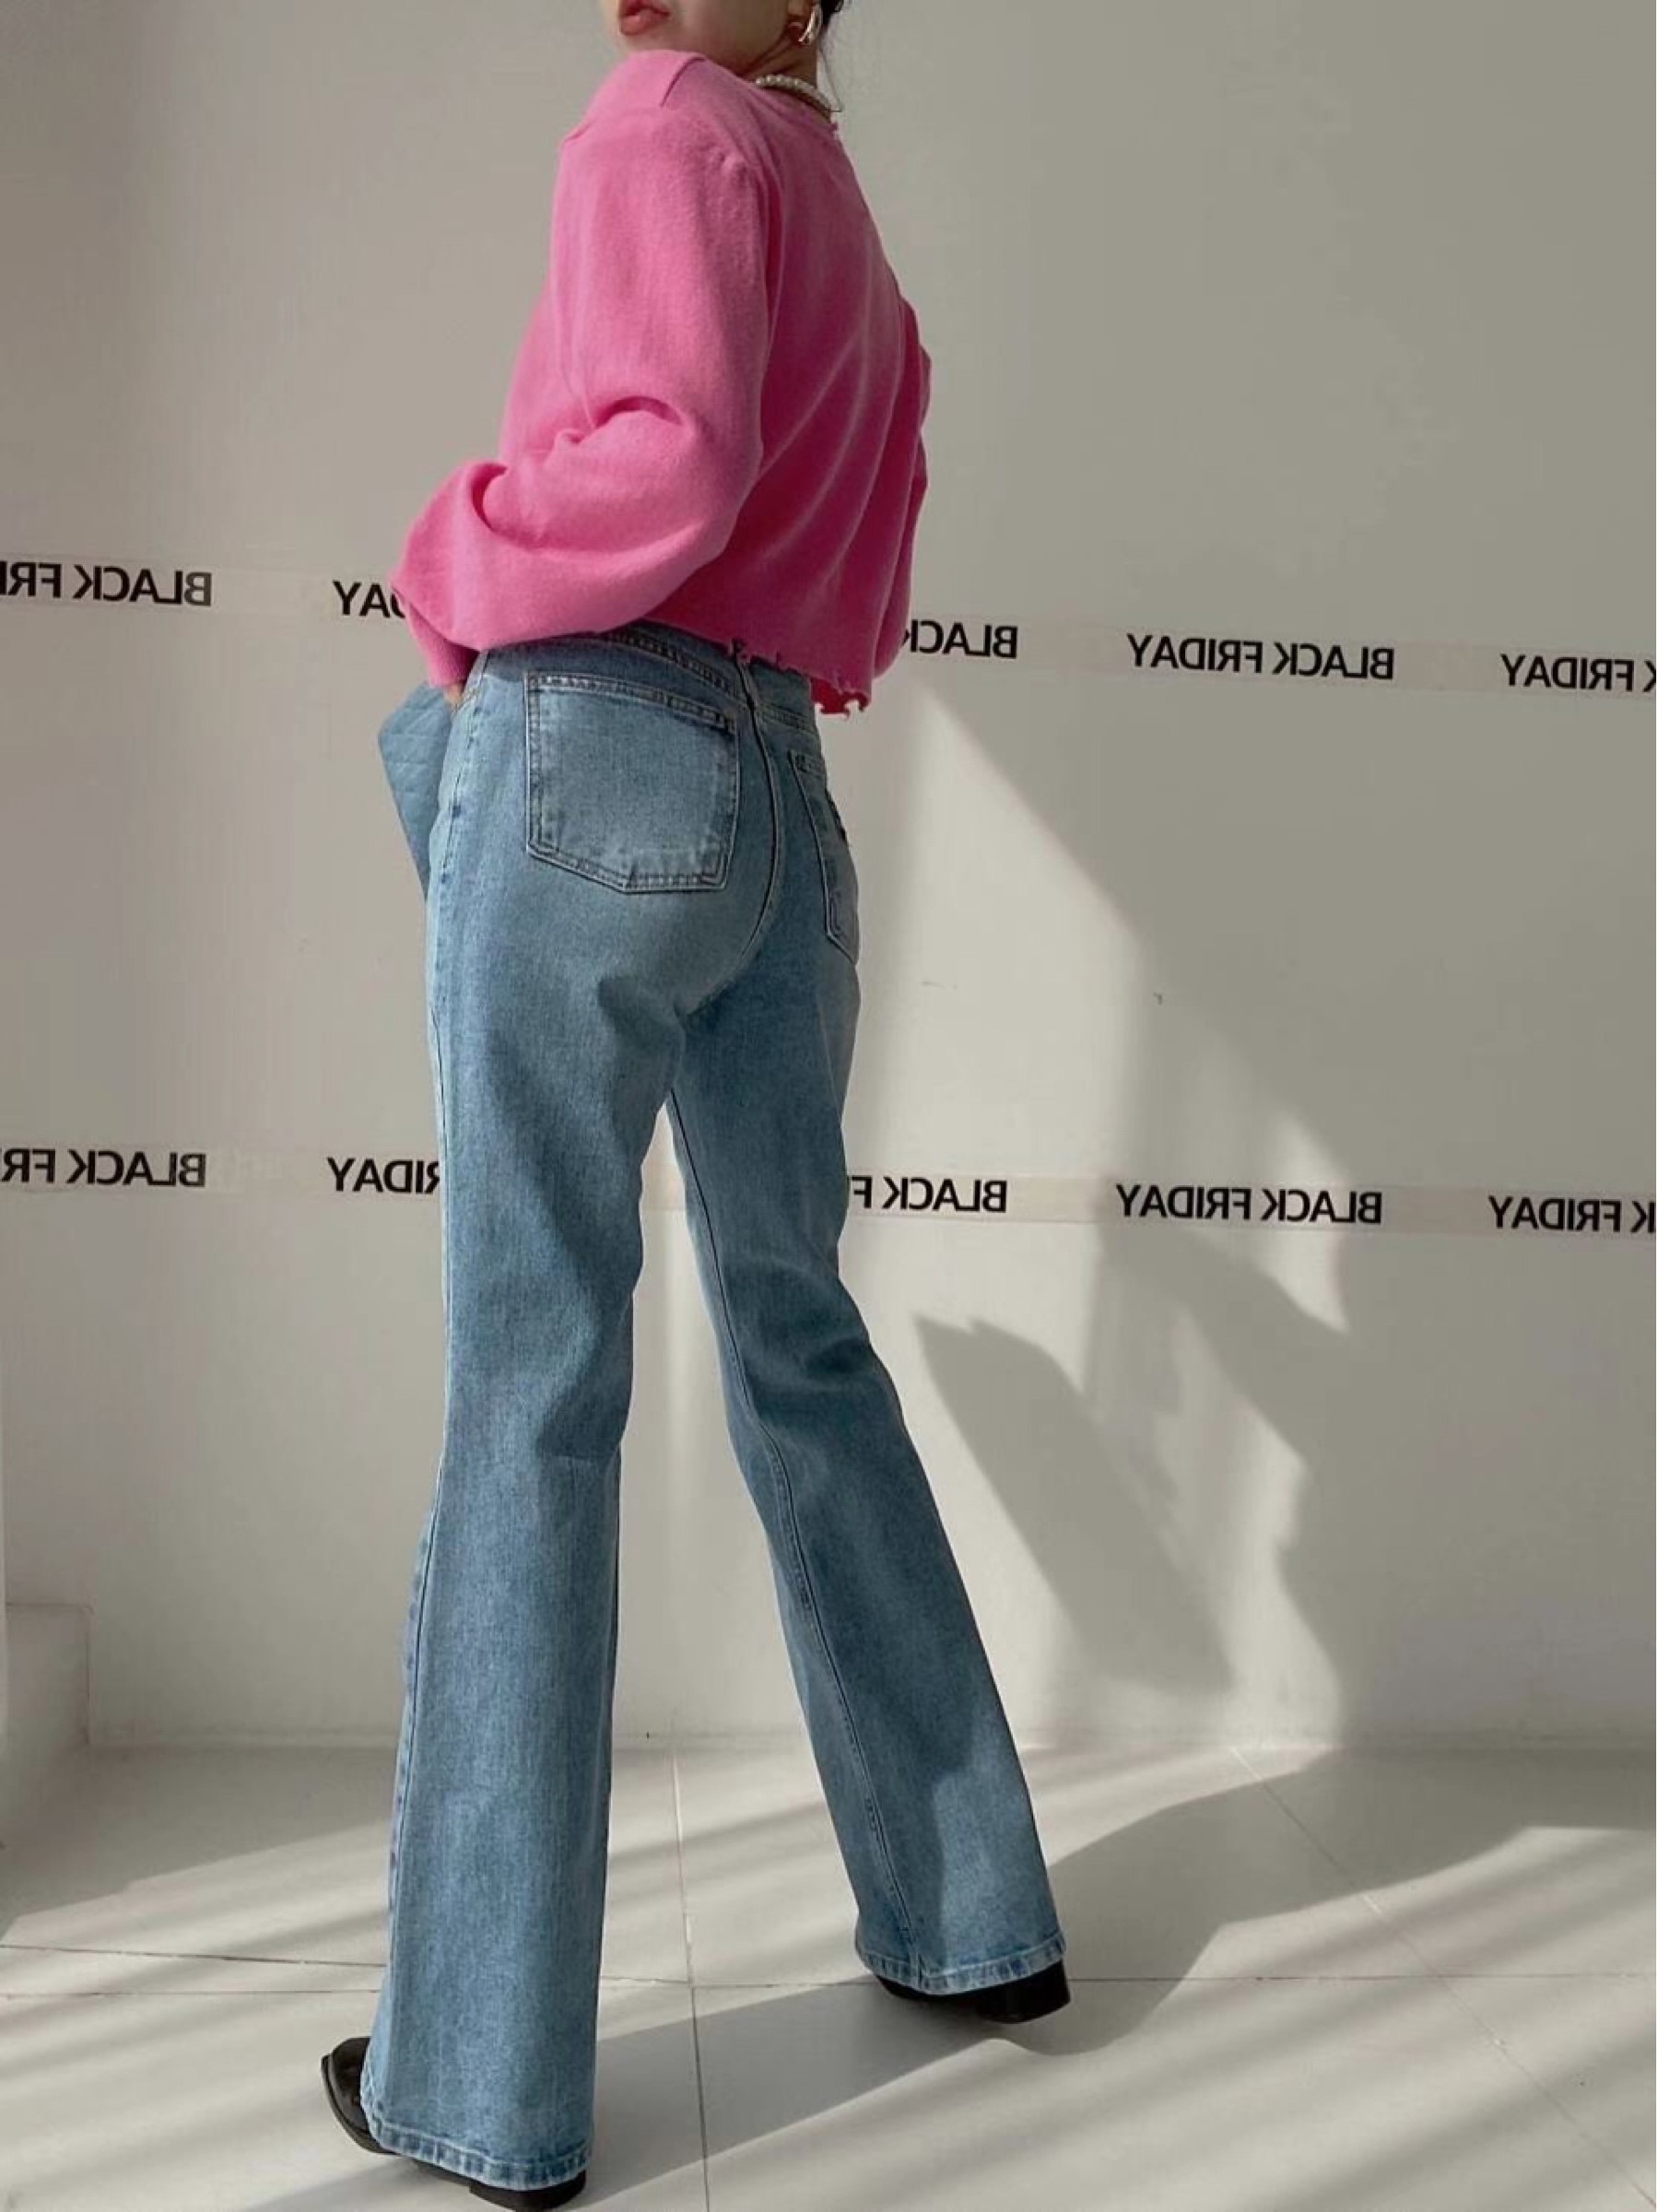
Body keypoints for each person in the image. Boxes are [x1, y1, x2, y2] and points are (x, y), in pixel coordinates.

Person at [321, 6, 1067, 2204]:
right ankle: (970, 1912)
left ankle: (485, 2088)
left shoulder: (661, 119)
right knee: (797, 1344)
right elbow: (864, 562)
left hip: (595, 747)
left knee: (531, 1378)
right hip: (774, 805)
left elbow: (661, 461)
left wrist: (452, 546)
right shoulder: (842, 214)